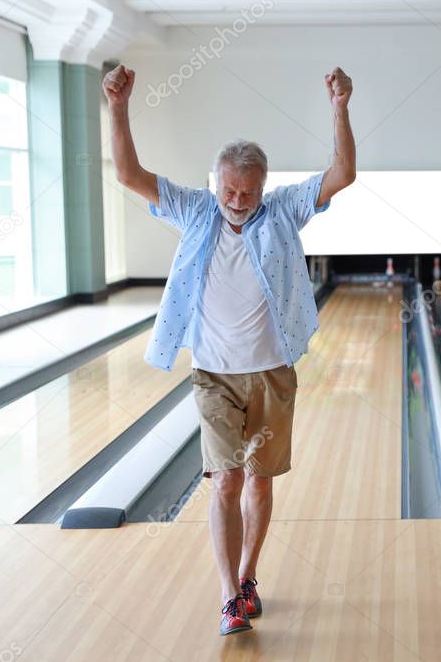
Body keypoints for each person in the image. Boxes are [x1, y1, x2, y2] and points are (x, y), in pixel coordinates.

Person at [102, 62, 355, 635]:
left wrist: (340, 105)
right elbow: (127, 172)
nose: (237, 201)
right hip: (213, 376)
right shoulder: (194, 209)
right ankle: (227, 596)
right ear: (214, 182)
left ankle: (247, 577)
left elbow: (343, 172)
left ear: (264, 187)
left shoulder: (285, 209)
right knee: (225, 481)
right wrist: (117, 105)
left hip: (271, 373)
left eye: (248, 191)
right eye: (229, 190)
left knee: (259, 481)